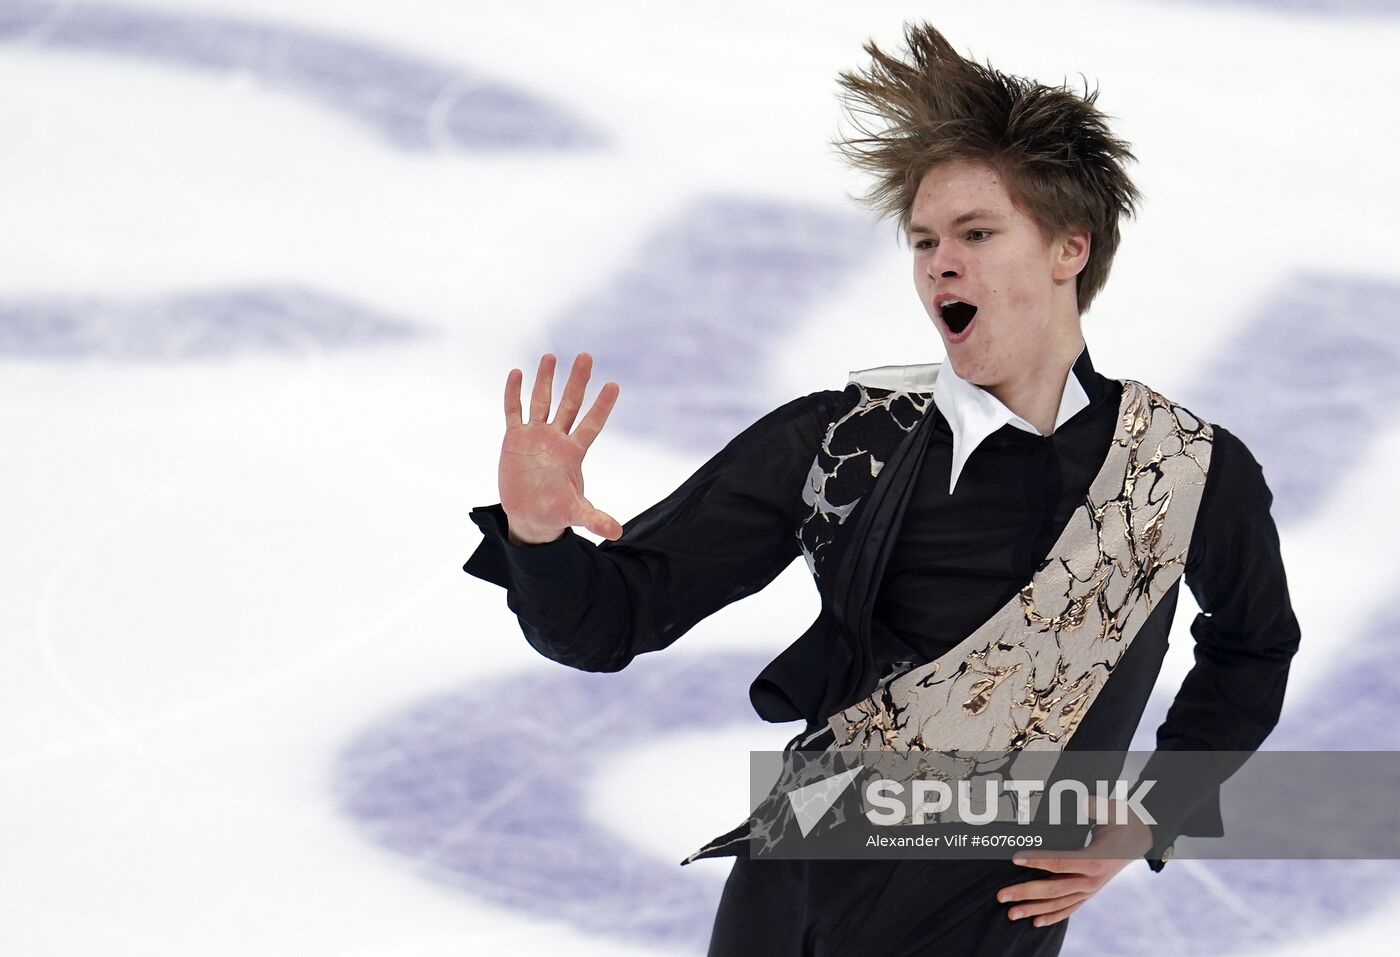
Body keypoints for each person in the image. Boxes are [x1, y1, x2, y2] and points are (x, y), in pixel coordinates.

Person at [463, 21, 1301, 956]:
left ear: (1070, 248)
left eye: (978, 234)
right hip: (794, 886)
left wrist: (1157, 809)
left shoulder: (1187, 468)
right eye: (925, 240)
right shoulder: (842, 439)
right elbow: (611, 619)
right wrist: (539, 542)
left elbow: (1254, 645)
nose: (941, 262)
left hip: (985, 918)